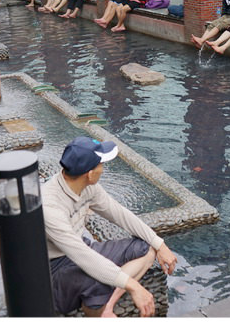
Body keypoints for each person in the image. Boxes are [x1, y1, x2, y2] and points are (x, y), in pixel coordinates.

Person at [42, 136, 178, 317]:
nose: (103, 169)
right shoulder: (49, 206)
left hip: (80, 248)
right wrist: (133, 286)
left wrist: (160, 244)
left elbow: (119, 214)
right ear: (90, 174)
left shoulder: (88, 186)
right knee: (97, 280)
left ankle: (108, 306)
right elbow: (82, 256)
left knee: (146, 249)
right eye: (101, 165)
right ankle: (96, 311)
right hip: (52, 270)